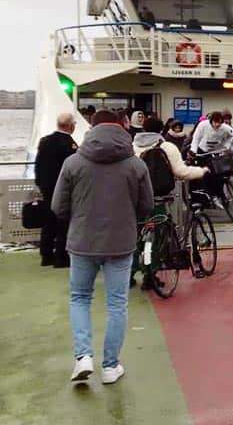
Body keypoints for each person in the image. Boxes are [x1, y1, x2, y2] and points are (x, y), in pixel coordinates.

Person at [51, 109, 153, 385]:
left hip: (82, 242)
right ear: (122, 127)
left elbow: (58, 206)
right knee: (117, 303)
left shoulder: (73, 163)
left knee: (80, 298)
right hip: (121, 242)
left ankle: (83, 357)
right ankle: (110, 366)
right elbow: (146, 207)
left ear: (90, 129)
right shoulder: (136, 164)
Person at [132, 118, 208, 286]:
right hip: (157, 198)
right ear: (162, 129)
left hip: (134, 199)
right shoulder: (166, 146)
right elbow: (181, 172)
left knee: (135, 236)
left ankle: (129, 274)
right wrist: (201, 171)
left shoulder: (132, 146)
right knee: (157, 235)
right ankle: (150, 275)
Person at [34, 112, 78, 267]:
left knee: (48, 221)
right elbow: (72, 169)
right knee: (63, 223)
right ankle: (61, 257)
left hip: (46, 187)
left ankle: (46, 255)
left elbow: (38, 165)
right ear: (71, 126)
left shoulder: (45, 141)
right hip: (63, 189)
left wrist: (40, 183)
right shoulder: (69, 144)